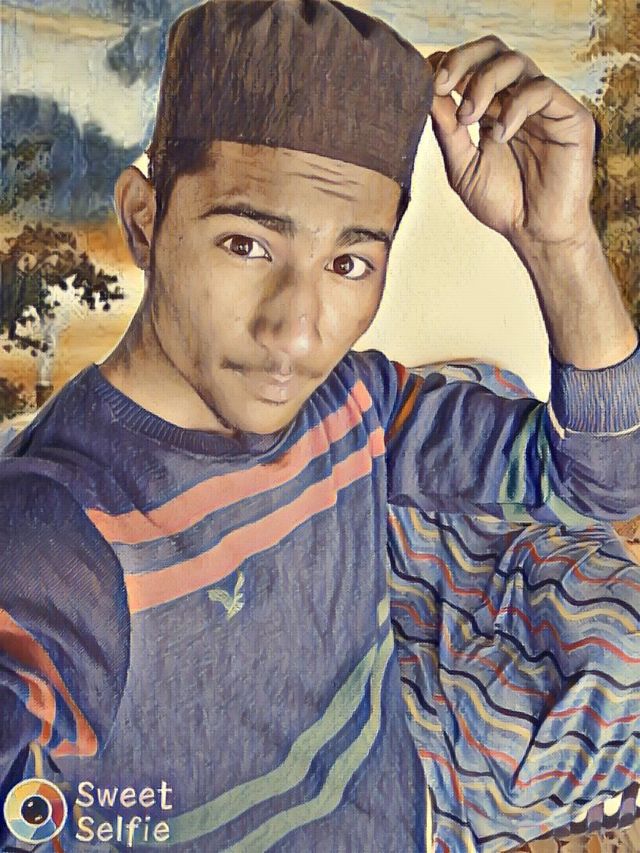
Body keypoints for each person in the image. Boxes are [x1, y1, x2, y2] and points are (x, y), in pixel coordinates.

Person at [0, 1, 638, 850]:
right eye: (246, 244)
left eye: (349, 262)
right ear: (144, 218)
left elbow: (604, 482)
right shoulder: (56, 538)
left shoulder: (354, 401)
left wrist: (560, 246)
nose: (298, 332)